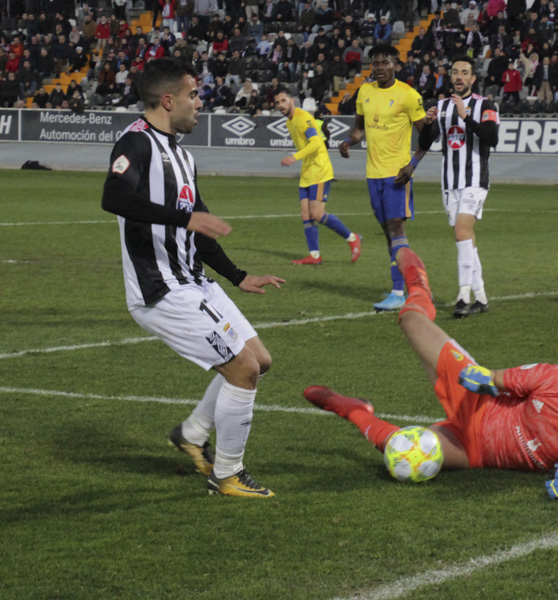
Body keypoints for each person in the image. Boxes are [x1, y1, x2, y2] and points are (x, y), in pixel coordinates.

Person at [304, 247, 558, 499]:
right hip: (479, 402)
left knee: (401, 458)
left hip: (474, 450)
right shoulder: (557, 379)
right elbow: (496, 379)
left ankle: (353, 410)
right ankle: (419, 287)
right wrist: (481, 378)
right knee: (409, 319)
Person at [101, 58, 285, 498]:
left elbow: (198, 227)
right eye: (193, 95)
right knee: (242, 369)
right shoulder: (137, 143)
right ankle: (227, 475)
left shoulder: (183, 156)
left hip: (195, 282)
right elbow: (114, 196)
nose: (200, 104)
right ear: (168, 101)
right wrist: (185, 219)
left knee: (259, 361)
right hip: (160, 290)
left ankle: (192, 433)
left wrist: (239, 276)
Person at [338, 45, 427, 312]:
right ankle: (413, 285)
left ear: (395, 65)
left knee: (396, 230)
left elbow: (427, 137)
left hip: (397, 174)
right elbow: (358, 130)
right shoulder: (365, 91)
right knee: (389, 236)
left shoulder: (408, 95)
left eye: (384, 62)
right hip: (372, 174)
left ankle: (399, 291)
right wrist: (347, 142)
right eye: (375, 63)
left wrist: (411, 166)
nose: (378, 67)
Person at [414, 55, 499, 319]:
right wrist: (427, 125)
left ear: (473, 78)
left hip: (475, 180)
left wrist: (466, 117)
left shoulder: (485, 104)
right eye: (455, 72)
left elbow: (491, 138)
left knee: (462, 232)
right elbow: (427, 142)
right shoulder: (440, 107)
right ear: (450, 77)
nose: (459, 77)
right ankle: (481, 296)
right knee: (467, 239)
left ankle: (463, 295)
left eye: (465, 73)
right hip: (450, 183)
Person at [276, 89, 362, 265]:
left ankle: (352, 238)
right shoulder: (289, 122)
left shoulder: (303, 118)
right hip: (307, 171)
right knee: (305, 213)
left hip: (320, 170)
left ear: (292, 100)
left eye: (283, 101)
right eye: (278, 103)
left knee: (317, 213)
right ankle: (314, 256)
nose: (281, 105)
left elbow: (316, 143)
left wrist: (295, 157)